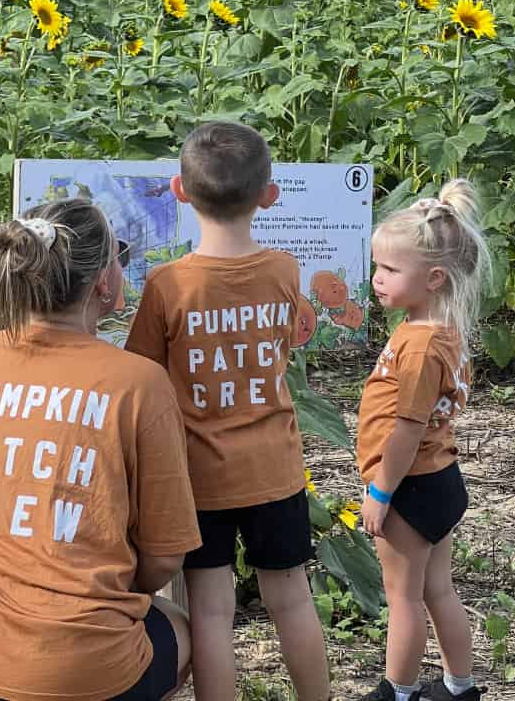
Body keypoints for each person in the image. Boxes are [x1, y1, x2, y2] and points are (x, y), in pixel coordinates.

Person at [0, 199, 202, 701]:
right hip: (71, 674)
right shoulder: (138, 383)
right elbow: (164, 557)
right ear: (105, 282)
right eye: (118, 257)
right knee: (177, 627)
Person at [126, 122, 330, 701]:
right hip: (276, 468)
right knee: (292, 598)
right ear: (269, 194)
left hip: (199, 477)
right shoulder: (285, 270)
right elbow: (286, 343)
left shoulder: (166, 286)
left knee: (212, 613)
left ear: (179, 191)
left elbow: (143, 373)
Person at [357, 181, 491, 701]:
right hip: (440, 479)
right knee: (439, 590)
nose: (376, 279)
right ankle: (461, 687)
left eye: (390, 270)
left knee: (403, 599)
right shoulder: (442, 330)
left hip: (408, 488)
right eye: (377, 266)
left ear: (433, 278)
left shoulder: (416, 347)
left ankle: (400, 691)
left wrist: (381, 492)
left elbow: (406, 430)